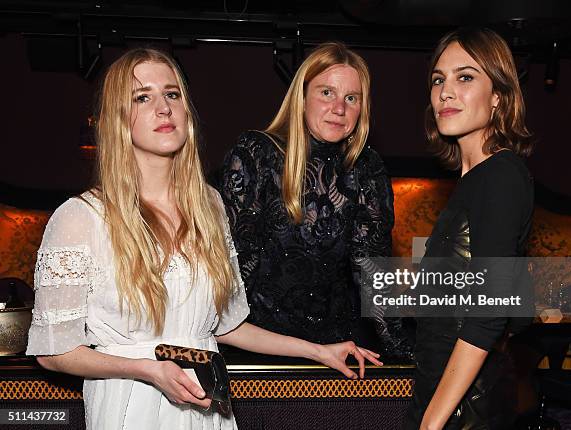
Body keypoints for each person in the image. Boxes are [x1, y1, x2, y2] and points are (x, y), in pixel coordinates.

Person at [25, 48, 382, 430]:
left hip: (206, 406)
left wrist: (319, 351)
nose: (163, 108)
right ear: (117, 119)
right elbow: (53, 352)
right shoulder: (80, 217)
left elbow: (227, 326)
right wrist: (146, 370)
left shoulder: (208, 205)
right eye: (142, 97)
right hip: (132, 405)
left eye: (173, 94)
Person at [220, 42, 404, 353]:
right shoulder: (258, 153)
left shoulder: (367, 168)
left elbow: (371, 269)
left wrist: (402, 351)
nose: (339, 108)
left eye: (351, 98)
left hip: (340, 348)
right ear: (301, 97)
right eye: (326, 92)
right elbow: (237, 266)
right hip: (262, 350)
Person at [412, 28, 535, 429]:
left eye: (465, 77)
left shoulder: (502, 175)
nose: (446, 91)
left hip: (467, 410)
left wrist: (431, 422)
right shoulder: (473, 181)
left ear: (498, 96)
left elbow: (489, 314)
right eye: (438, 79)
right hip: (444, 395)